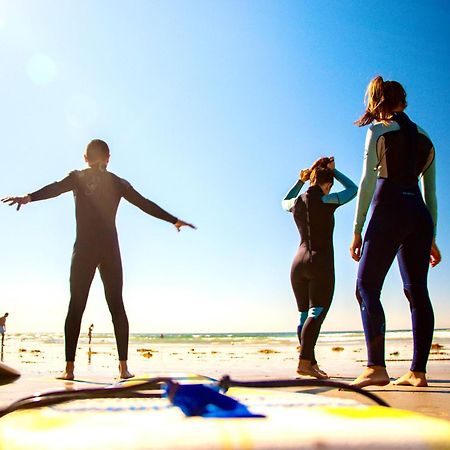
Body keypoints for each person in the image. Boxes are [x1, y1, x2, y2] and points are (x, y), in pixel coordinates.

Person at [2, 139, 195, 380]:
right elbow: (144, 204)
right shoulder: (118, 182)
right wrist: (173, 219)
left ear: (85, 158)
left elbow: (55, 188)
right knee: (116, 305)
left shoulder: (77, 177)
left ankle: (69, 369)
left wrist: (28, 197)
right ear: (108, 157)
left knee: (76, 306)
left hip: (84, 248)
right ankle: (124, 369)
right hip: (110, 249)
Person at [349, 76, 441, 388]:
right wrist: (432, 238)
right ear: (404, 102)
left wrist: (357, 229)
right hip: (418, 215)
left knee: (366, 287)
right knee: (417, 292)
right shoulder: (427, 138)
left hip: (388, 209)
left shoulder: (378, 130)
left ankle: (376, 367)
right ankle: (418, 372)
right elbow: (432, 195)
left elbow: (366, 183)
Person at [282, 157, 357, 378]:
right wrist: (336, 172)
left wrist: (299, 181)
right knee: (317, 313)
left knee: (303, 316)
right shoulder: (328, 200)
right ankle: (305, 362)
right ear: (328, 184)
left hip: (297, 263)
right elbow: (353, 189)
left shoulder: (296, 202)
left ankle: (310, 363)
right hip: (320, 262)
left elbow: (283, 201)